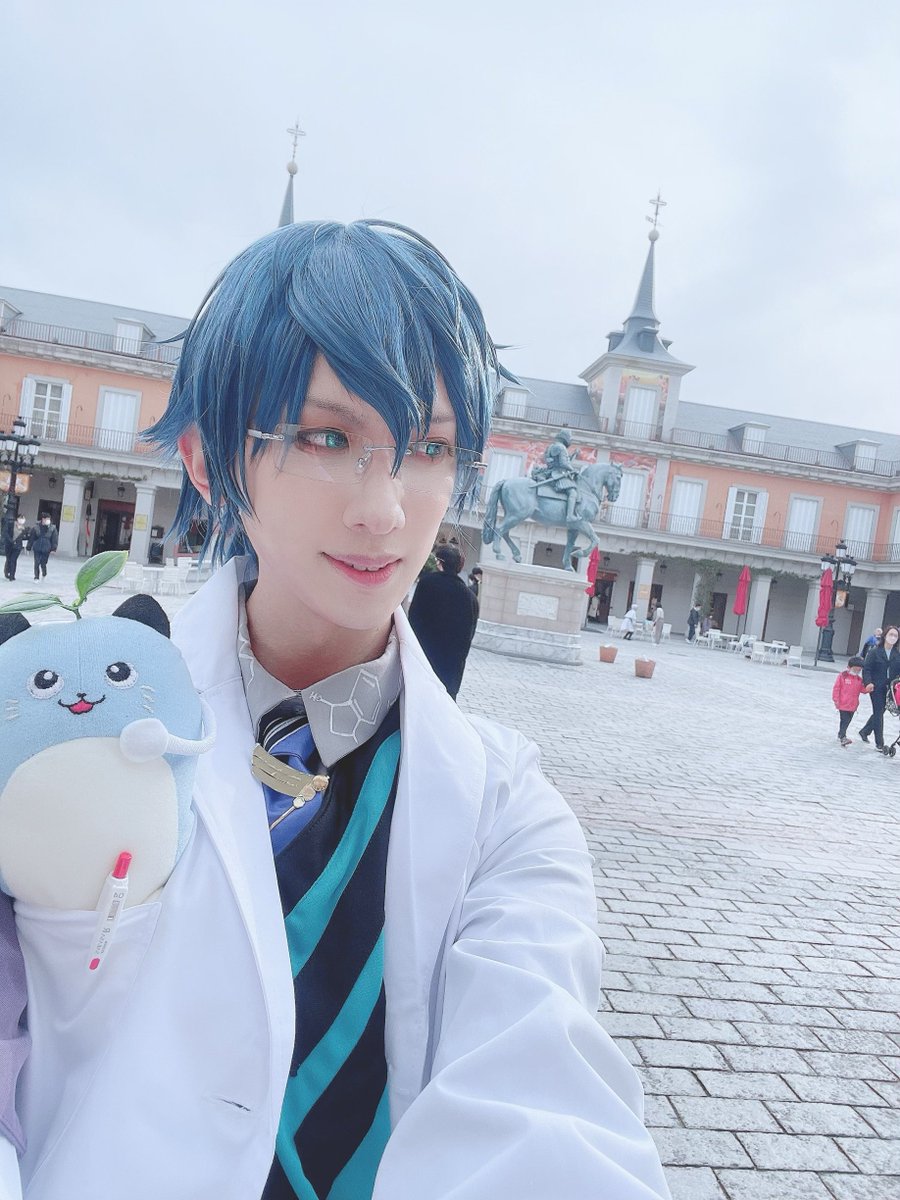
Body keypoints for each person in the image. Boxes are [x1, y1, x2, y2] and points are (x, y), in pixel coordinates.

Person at [0, 221, 670, 1200]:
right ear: (206, 459)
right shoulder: (57, 729)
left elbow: (545, 1102)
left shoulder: (505, 814)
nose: (386, 510)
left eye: (429, 447)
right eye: (327, 437)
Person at [408, 542, 479, 700]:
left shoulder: (427, 584)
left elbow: (413, 621)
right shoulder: (470, 597)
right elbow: (469, 635)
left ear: (439, 562)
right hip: (451, 670)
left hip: (423, 662)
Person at [859, 625, 900, 753]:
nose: (893, 637)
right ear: (885, 636)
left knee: (881, 711)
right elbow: (867, 669)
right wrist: (868, 682)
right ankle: (880, 743)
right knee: (878, 712)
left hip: (891, 688)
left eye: (895, 635)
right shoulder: (874, 651)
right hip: (876, 687)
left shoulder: (897, 654)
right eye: (891, 634)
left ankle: (865, 731)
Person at [530, 429, 580, 523]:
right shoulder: (562, 448)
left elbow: (553, 460)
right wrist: (573, 470)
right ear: (566, 438)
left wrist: (574, 455)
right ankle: (570, 516)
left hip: (549, 472)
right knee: (573, 492)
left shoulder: (551, 447)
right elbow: (563, 463)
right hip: (558, 474)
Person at [832, 655, 869, 746]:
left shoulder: (859, 680)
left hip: (853, 705)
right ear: (849, 667)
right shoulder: (842, 676)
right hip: (843, 704)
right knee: (844, 720)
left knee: (848, 721)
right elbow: (836, 688)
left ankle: (841, 734)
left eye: (858, 670)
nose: (856, 672)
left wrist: (868, 689)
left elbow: (862, 690)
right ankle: (842, 736)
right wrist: (836, 699)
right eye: (855, 669)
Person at [28, 513, 57, 581]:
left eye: (49, 519)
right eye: (46, 519)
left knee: (43, 563)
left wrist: (53, 549)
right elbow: (32, 537)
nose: (48, 520)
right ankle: (36, 577)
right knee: (36, 562)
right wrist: (29, 546)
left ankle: (44, 573)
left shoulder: (52, 528)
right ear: (43, 519)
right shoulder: (36, 527)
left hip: (46, 548)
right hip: (37, 547)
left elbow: (54, 539)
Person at [2, 516, 28, 582]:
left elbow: (24, 538)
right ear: (17, 519)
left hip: (17, 546)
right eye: (20, 518)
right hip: (9, 545)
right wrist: (10, 540)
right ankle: (6, 572)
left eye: (23, 519)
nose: (21, 520)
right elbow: (5, 533)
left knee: (13, 560)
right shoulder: (11, 524)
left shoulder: (24, 529)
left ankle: (12, 575)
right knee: (9, 559)